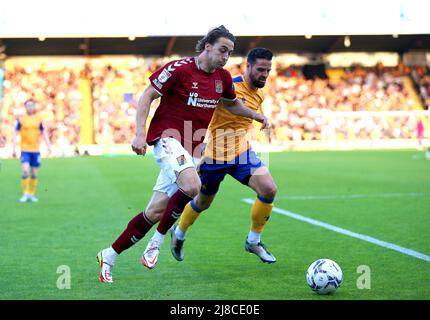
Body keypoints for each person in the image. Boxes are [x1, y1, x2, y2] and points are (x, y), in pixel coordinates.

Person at [97, 25, 269, 283]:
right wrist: (139, 134)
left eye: (230, 52)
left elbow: (233, 103)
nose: (225, 57)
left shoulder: (222, 78)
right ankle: (157, 241)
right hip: (167, 139)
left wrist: (256, 115)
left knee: (154, 212)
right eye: (222, 50)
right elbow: (147, 97)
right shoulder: (179, 69)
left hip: (190, 151)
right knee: (192, 186)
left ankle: (108, 255)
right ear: (207, 46)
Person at [170, 47, 277, 264]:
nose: (264, 74)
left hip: (242, 153)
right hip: (214, 156)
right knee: (203, 203)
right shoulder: (229, 86)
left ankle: (253, 241)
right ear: (248, 67)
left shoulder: (260, 94)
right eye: (260, 69)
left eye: (268, 70)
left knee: (269, 189)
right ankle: (179, 233)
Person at [12, 99, 51, 202]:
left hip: (36, 150)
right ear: (25, 107)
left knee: (34, 173)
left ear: (34, 107)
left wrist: (48, 146)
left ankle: (32, 194)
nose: (30, 107)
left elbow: (44, 133)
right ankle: (25, 194)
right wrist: (13, 147)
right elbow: (15, 133)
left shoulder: (39, 119)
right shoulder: (21, 119)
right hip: (24, 149)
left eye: (32, 105)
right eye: (28, 105)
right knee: (25, 171)